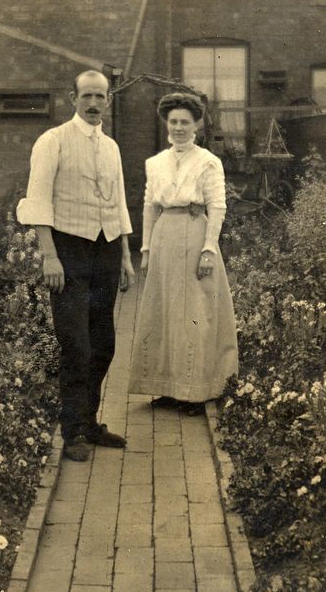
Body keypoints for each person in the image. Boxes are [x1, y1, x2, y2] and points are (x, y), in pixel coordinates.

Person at [17, 70, 134, 461]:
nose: (93, 103)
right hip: (68, 252)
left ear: (109, 100)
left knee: (104, 344)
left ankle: (90, 421)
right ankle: (73, 433)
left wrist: (127, 257)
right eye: (86, 96)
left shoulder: (112, 147)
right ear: (73, 98)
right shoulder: (53, 141)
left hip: (107, 251)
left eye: (100, 96)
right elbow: (37, 200)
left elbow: (118, 203)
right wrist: (49, 254)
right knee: (76, 346)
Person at [128, 92, 238, 415]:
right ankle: (166, 387)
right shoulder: (155, 163)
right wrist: (146, 248)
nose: (178, 128)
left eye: (185, 122)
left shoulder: (207, 161)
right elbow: (149, 206)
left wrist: (208, 249)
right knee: (163, 311)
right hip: (164, 236)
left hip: (194, 233)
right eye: (173, 122)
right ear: (167, 124)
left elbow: (217, 206)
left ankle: (195, 391)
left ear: (196, 125)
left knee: (195, 312)